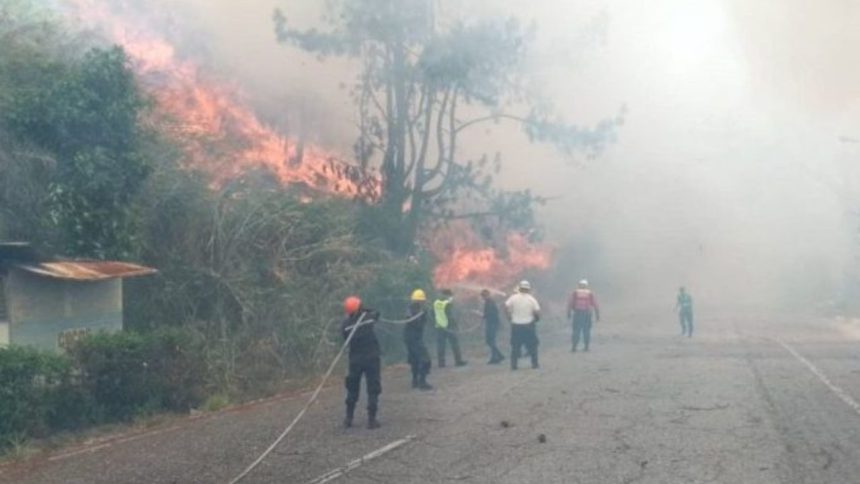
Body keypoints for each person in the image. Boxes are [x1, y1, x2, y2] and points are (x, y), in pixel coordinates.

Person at [341, 296, 382, 429]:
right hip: (371, 358)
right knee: (373, 388)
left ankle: (348, 418)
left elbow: (345, 337)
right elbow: (377, 314)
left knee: (352, 387)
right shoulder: (368, 318)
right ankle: (371, 419)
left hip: (355, 360)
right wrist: (365, 310)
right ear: (360, 307)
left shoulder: (346, 325)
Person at [505, 281, 541, 370]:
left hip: (516, 326)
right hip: (528, 326)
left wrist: (509, 316)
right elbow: (537, 312)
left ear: (520, 288)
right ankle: (534, 364)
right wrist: (536, 319)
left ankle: (514, 365)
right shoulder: (531, 299)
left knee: (515, 346)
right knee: (533, 345)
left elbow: (506, 306)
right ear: (528, 289)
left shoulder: (513, 298)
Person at [405, 289, 433, 390]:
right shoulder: (413, 310)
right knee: (425, 359)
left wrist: (424, 315)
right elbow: (416, 324)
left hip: (411, 338)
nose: (423, 302)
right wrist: (423, 315)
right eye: (422, 300)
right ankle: (422, 383)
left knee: (415, 360)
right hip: (413, 339)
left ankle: (415, 381)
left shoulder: (414, 309)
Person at [434, 289, 467, 368]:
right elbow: (450, 315)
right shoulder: (447, 303)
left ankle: (441, 363)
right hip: (448, 326)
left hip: (439, 326)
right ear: (446, 295)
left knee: (441, 345)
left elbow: (433, 313)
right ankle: (458, 361)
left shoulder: (436, 303)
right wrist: (455, 325)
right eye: (449, 295)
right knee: (454, 343)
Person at [569, 279, 600, 352]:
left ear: (579, 285)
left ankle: (574, 347)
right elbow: (595, 304)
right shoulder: (589, 293)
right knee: (586, 331)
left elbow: (570, 303)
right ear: (586, 286)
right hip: (587, 314)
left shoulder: (575, 293)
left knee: (576, 330)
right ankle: (586, 347)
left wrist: (569, 313)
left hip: (577, 314)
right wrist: (597, 314)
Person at [481, 289, 506, 364]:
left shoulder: (490, 302)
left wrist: (484, 316)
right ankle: (499, 355)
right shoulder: (489, 302)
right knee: (490, 341)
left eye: (483, 296)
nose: (483, 297)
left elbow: (491, 313)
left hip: (492, 324)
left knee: (490, 341)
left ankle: (495, 357)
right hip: (492, 323)